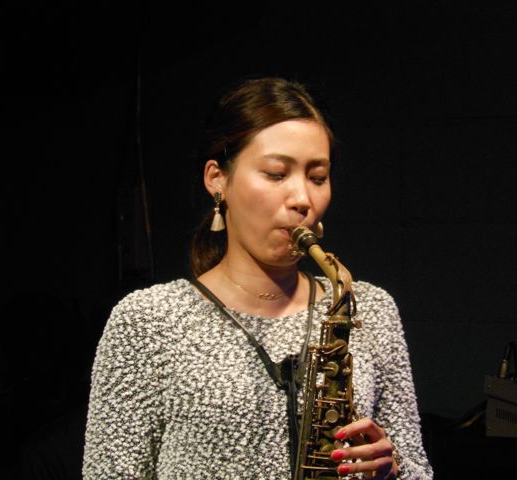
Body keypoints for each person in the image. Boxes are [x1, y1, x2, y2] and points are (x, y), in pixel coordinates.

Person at [83, 77, 433, 479]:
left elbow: (418, 469)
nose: (302, 199)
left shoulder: (370, 310)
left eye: (318, 177)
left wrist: (394, 471)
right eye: (276, 174)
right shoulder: (148, 321)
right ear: (217, 179)